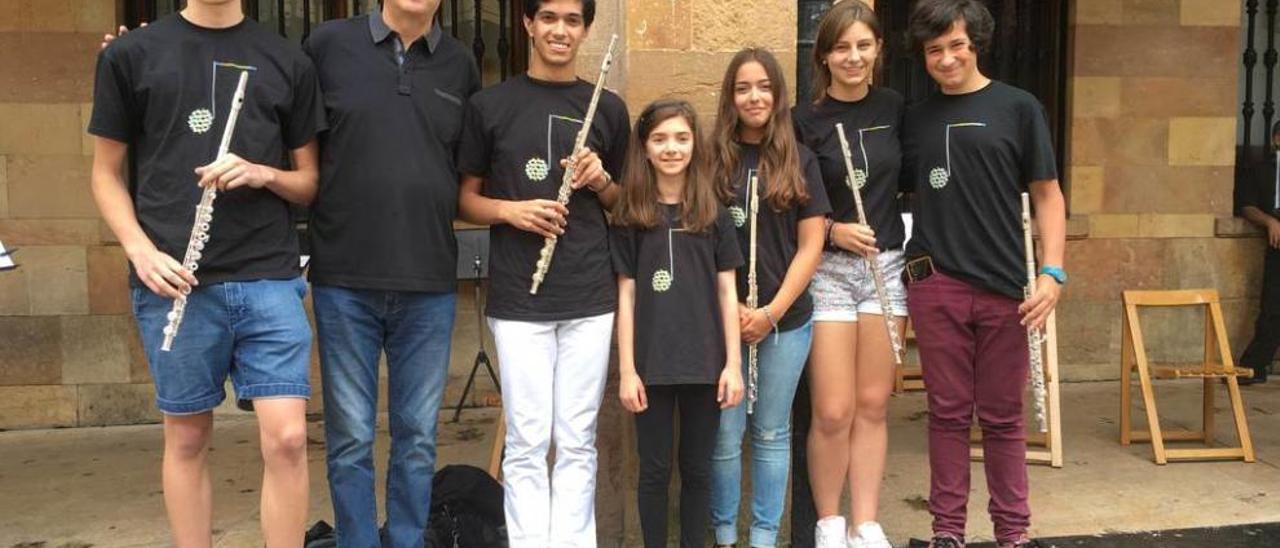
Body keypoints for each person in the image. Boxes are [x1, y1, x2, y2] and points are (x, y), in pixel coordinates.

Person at [88, 0, 322, 545]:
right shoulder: (130, 54)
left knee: (288, 438)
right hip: (175, 280)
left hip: (268, 273)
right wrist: (139, 250)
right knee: (188, 437)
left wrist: (263, 173)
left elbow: (309, 183)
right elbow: (104, 174)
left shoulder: (287, 59)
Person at [301, 0, 481, 544]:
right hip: (344, 279)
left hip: (428, 279)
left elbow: (475, 165)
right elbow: (271, 118)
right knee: (351, 438)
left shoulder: (460, 64)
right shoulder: (327, 45)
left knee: (419, 437)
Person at [455, 0, 629, 545]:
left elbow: (626, 206)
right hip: (518, 296)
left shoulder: (609, 108)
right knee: (528, 440)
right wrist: (512, 211)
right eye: (548, 17)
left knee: (577, 439)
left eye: (572, 20)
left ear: (585, 29)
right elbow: (464, 201)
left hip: (589, 293)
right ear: (528, 24)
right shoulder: (490, 106)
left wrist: (601, 181)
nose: (560, 30)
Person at [899, 1, 1066, 547]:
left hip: (1006, 288)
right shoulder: (914, 118)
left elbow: (1047, 194)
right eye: (934, 50)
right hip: (935, 282)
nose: (946, 59)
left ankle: (1012, 534)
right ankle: (948, 532)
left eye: (956, 45)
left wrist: (1053, 272)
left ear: (977, 44)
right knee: (946, 414)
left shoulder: (1019, 107)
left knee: (1002, 417)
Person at [791, 1, 907, 546]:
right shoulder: (804, 120)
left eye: (863, 45)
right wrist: (834, 230)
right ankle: (829, 522)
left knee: (873, 405)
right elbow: (792, 202)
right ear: (825, 55)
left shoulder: (897, 107)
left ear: (877, 49)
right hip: (831, 269)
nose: (853, 57)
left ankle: (866, 522)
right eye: (842, 47)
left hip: (886, 266)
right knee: (833, 409)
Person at [708, 47, 831, 548]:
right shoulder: (712, 157)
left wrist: (770, 312)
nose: (754, 96)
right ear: (730, 97)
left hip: (786, 319)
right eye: (743, 88)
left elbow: (812, 245)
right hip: (724, 320)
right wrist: (734, 312)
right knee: (723, 435)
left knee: (772, 433)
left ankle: (762, 537)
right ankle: (723, 535)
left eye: (763, 87)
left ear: (778, 95)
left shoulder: (799, 158)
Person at [612, 99, 745, 548]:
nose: (672, 148)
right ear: (645, 149)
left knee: (697, 469)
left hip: (705, 364)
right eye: (660, 139)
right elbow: (626, 295)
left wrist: (733, 365)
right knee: (652, 470)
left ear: (695, 145)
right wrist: (628, 370)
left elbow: (729, 292)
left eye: (682, 138)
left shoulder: (716, 215)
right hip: (651, 365)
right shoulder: (631, 218)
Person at [1237, 121, 1280, 386]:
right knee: (1273, 306)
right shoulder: (1262, 170)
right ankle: (1254, 365)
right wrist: (1270, 222)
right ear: (1277, 139)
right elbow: (1246, 205)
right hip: (1278, 237)